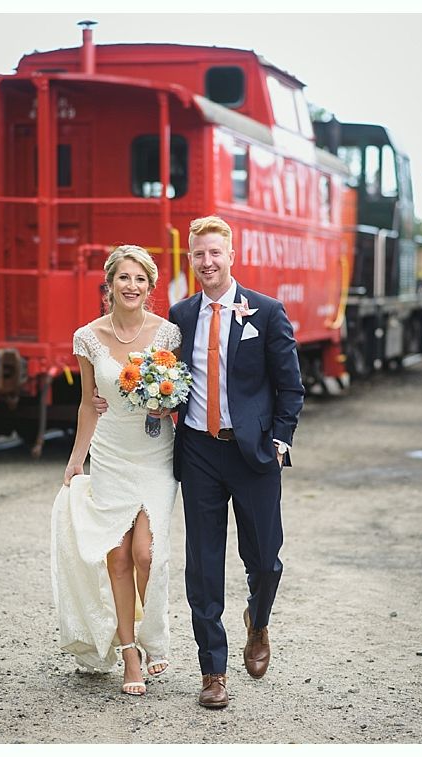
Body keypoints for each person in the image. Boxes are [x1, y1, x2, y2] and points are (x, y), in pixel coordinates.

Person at [95, 216, 304, 708]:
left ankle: (258, 618)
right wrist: (108, 397)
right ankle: (214, 671)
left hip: (253, 454)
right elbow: (155, 371)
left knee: (266, 559)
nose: (207, 262)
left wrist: (280, 440)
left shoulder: (267, 313)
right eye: (198, 255)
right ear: (190, 259)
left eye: (215, 253)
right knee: (204, 566)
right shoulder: (180, 316)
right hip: (199, 451)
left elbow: (290, 385)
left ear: (232, 255)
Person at [51, 245, 181, 696]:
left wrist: (167, 406)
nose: (132, 286)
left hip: (154, 455)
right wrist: (75, 459)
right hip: (109, 455)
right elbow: (90, 402)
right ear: (109, 285)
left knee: (149, 553)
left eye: (140, 279)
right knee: (118, 556)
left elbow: (178, 395)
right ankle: (129, 655)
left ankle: (153, 634)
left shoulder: (167, 334)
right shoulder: (87, 337)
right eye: (124, 278)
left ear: (150, 286)